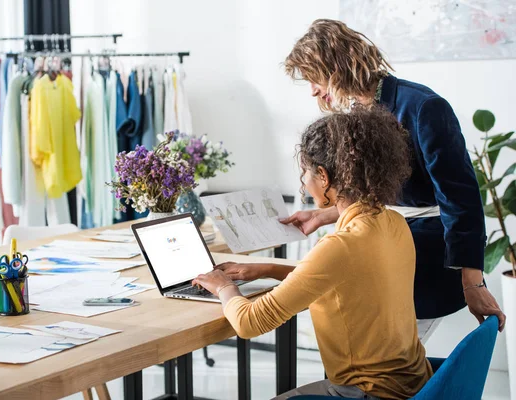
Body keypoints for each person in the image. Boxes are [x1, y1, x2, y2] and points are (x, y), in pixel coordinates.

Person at [280, 19, 505, 330]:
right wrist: (324, 216)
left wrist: (473, 282)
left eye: (313, 78)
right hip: (386, 241)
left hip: (428, 252)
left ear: (335, 67)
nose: (313, 91)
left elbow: (461, 200)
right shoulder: (356, 113)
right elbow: (379, 193)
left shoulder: (425, 108)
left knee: (392, 354)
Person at [193, 108, 432, 399]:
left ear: (324, 176)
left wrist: (224, 287)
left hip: (370, 392)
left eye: (305, 171)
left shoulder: (341, 246)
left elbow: (249, 322)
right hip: (415, 384)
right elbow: (345, 281)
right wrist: (266, 269)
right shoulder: (393, 222)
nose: (304, 181)